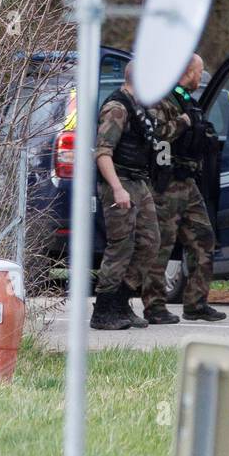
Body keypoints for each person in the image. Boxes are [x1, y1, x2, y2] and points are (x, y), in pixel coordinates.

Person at [141, 54, 227, 325]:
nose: (200, 79)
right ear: (188, 72)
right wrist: (184, 122)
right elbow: (157, 133)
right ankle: (154, 305)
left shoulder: (188, 101)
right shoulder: (161, 99)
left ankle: (196, 303)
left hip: (189, 183)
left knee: (204, 239)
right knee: (162, 246)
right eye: (198, 73)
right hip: (165, 183)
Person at [90, 62, 159, 330]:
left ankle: (122, 300)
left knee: (150, 242)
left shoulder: (140, 107)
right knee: (120, 246)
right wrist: (117, 188)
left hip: (139, 181)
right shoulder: (117, 108)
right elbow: (102, 153)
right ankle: (104, 309)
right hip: (120, 182)